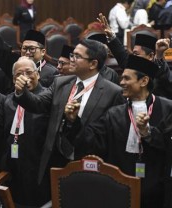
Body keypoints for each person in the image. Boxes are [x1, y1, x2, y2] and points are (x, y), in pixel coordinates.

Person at [13, 39, 125, 186]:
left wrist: (74, 122)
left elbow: (110, 137)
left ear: (93, 64)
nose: (71, 59)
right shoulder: (61, 83)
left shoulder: (112, 93)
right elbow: (38, 104)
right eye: (72, 55)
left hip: (88, 162)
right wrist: (21, 92)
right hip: (55, 157)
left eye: (77, 56)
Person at [65, 55, 172, 208]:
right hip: (121, 187)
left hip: (158, 189)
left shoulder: (167, 108)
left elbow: (168, 146)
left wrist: (148, 132)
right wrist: (73, 121)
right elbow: (90, 141)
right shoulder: (114, 114)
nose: (121, 83)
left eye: (127, 79)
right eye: (122, 78)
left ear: (144, 81)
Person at [0, 57, 50, 207]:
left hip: (38, 168)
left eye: (29, 72)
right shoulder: (7, 100)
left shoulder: (47, 99)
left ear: (38, 74)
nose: (25, 77)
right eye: (20, 74)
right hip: (11, 167)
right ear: (14, 79)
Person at [0, 2, 58, 88]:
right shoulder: (15, 63)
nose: (27, 53)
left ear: (43, 52)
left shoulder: (51, 73)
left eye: (31, 49)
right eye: (24, 48)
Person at [99, 13, 172, 99]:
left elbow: (166, 80)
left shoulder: (161, 71)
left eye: (137, 54)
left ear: (151, 56)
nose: (133, 58)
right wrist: (111, 36)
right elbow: (122, 55)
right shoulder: (134, 66)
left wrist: (159, 55)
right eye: (133, 54)